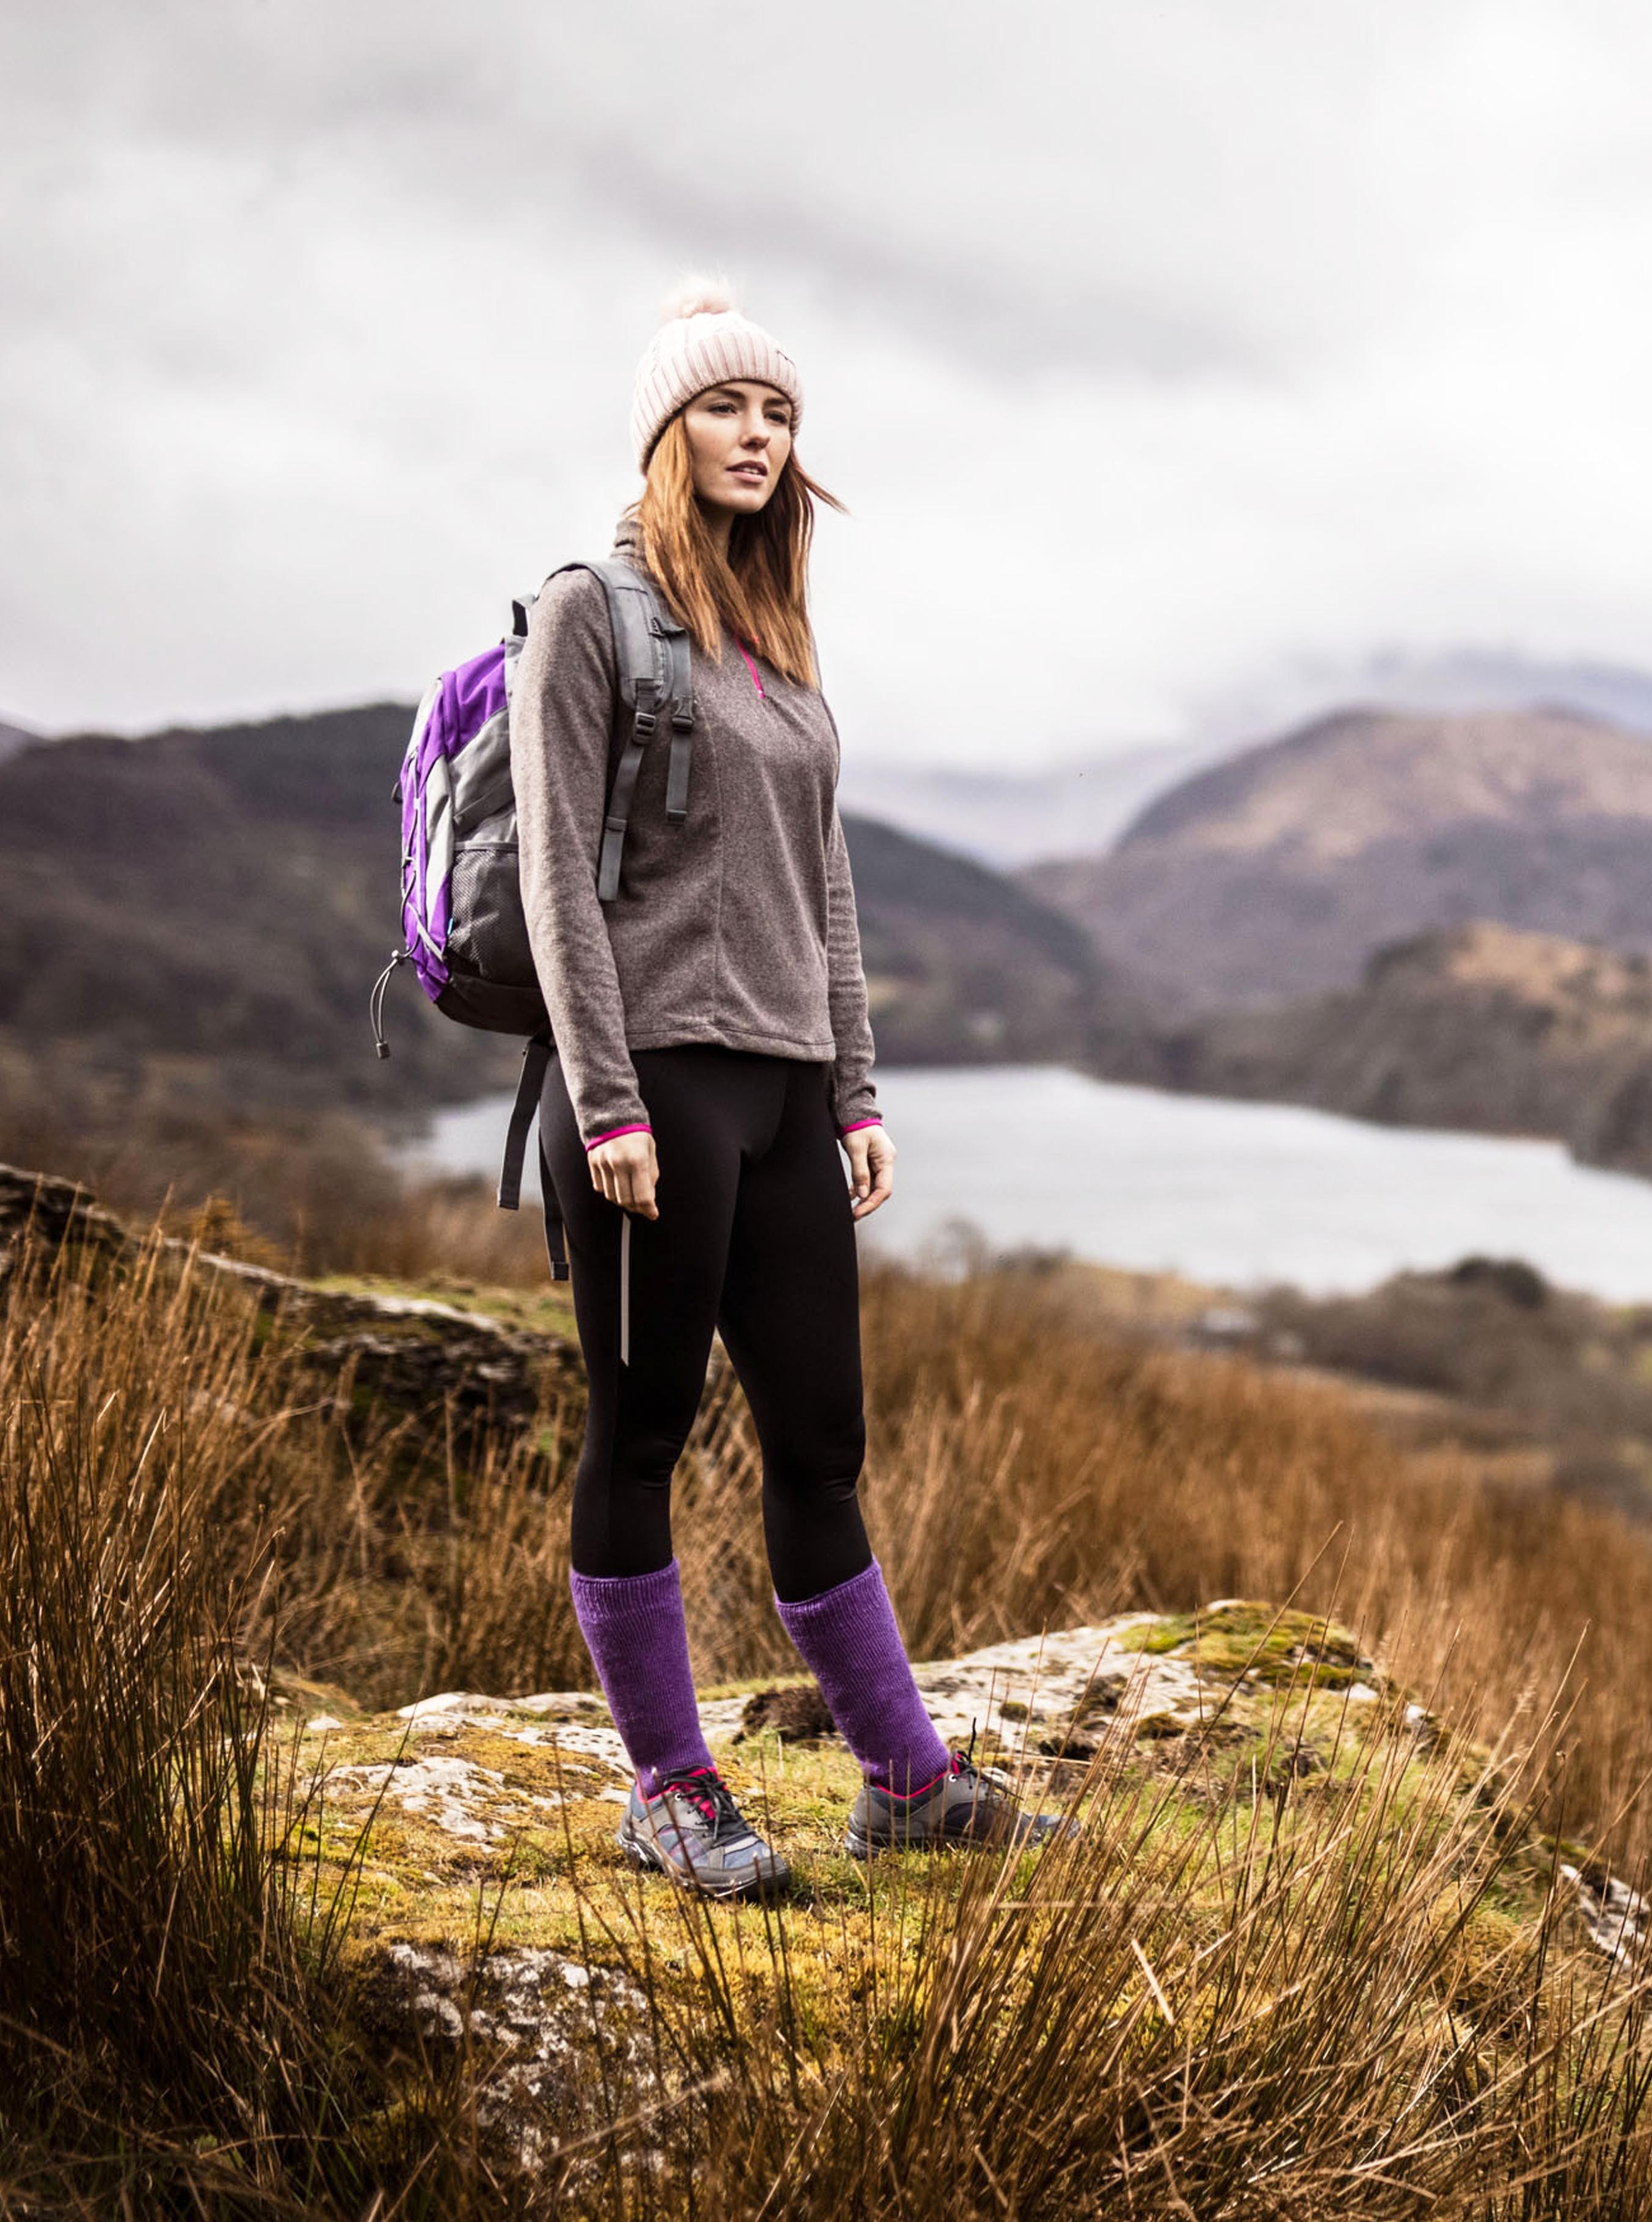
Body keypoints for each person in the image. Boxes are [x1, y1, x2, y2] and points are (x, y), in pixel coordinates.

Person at [512, 279, 1063, 1896]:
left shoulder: (775, 639)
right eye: (726, 408)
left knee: (822, 1443)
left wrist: (858, 1093)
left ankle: (906, 1782)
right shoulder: (587, 612)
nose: (757, 436)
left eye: (781, 415)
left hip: (779, 1095)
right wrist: (607, 1104)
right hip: (650, 1095)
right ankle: (670, 1790)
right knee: (642, 1434)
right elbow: (556, 878)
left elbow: (822, 887)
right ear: (665, 433)